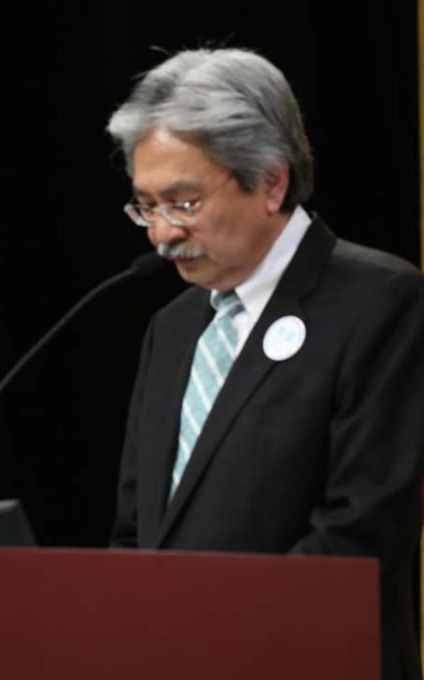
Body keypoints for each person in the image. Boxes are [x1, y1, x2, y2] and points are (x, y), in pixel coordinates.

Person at [105, 47, 424, 680]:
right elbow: (136, 535)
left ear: (271, 182)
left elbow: (363, 532)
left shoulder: (381, 301)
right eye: (146, 205)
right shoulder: (171, 331)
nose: (161, 233)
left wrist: (205, 634)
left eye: (184, 203)